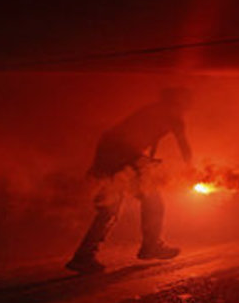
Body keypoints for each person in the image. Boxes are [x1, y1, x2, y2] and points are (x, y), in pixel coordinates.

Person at [66, 87, 193, 274]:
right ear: (177, 101)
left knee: (110, 209)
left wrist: (141, 160)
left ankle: (84, 256)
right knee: (151, 201)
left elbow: (128, 138)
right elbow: (184, 148)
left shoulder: (153, 110)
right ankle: (150, 246)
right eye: (185, 100)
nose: (187, 105)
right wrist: (191, 172)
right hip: (120, 157)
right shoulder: (172, 115)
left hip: (110, 153)